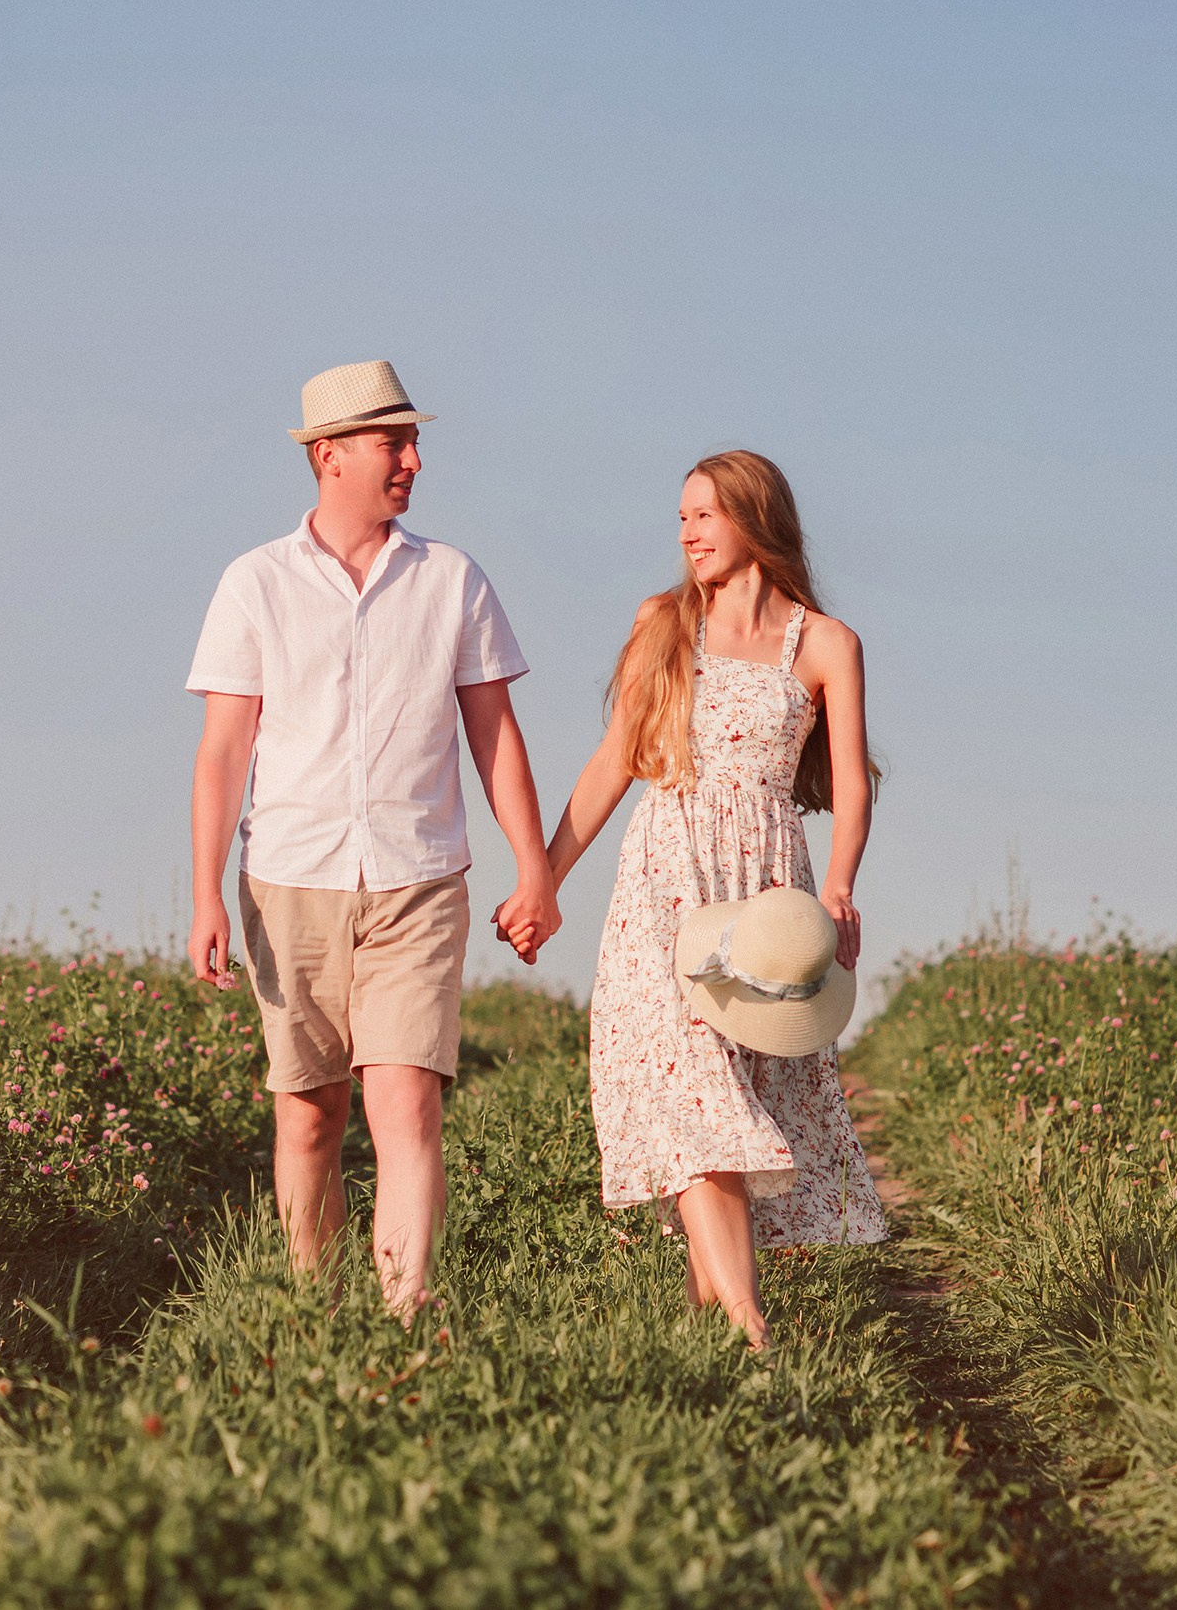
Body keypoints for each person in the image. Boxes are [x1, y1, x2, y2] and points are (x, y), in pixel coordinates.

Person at [186, 359, 562, 1317]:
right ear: (328, 456)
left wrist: (535, 868)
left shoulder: (452, 578)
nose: (413, 460)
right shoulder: (254, 582)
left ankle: (406, 1311)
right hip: (289, 879)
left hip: (419, 875)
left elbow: (495, 733)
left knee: (409, 1107)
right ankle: (314, 1314)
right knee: (308, 1115)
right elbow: (225, 749)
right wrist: (203, 894)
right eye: (393, 442)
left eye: (411, 441)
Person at [529, 449, 884, 1348]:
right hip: (666, 879)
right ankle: (750, 1327)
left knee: (741, 1086)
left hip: (768, 890)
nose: (686, 533)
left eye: (703, 515)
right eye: (681, 517)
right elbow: (615, 762)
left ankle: (702, 1334)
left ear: (755, 519)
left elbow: (853, 785)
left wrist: (838, 890)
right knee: (693, 1089)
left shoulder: (829, 644)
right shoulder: (664, 623)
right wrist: (544, 876)